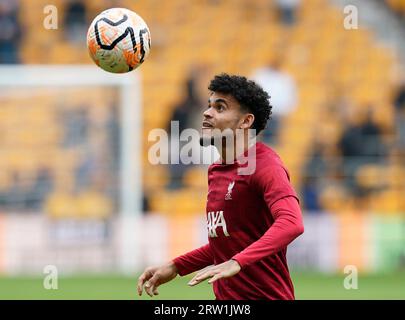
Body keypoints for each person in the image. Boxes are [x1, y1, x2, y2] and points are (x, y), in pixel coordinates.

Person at [138, 74, 304, 300]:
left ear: (245, 121)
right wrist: (176, 267)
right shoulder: (217, 170)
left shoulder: (266, 165)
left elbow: (292, 223)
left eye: (220, 107)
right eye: (208, 106)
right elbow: (228, 243)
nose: (207, 113)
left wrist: (237, 262)